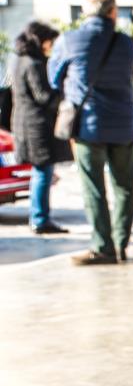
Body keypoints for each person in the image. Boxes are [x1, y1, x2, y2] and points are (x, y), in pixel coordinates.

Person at [48, 0, 133, 265]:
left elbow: (53, 78)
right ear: (113, 11)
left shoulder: (69, 40)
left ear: (85, 12)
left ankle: (103, 246)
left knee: (94, 188)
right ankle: (121, 244)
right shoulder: (126, 43)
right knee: (124, 187)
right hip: (123, 124)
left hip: (88, 125)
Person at [10, 21, 70, 234]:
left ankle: (39, 217)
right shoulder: (33, 63)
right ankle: (40, 219)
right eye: (50, 42)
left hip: (25, 123)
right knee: (43, 172)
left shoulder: (19, 59)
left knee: (40, 171)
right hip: (36, 126)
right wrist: (62, 91)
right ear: (41, 41)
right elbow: (43, 96)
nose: (51, 47)